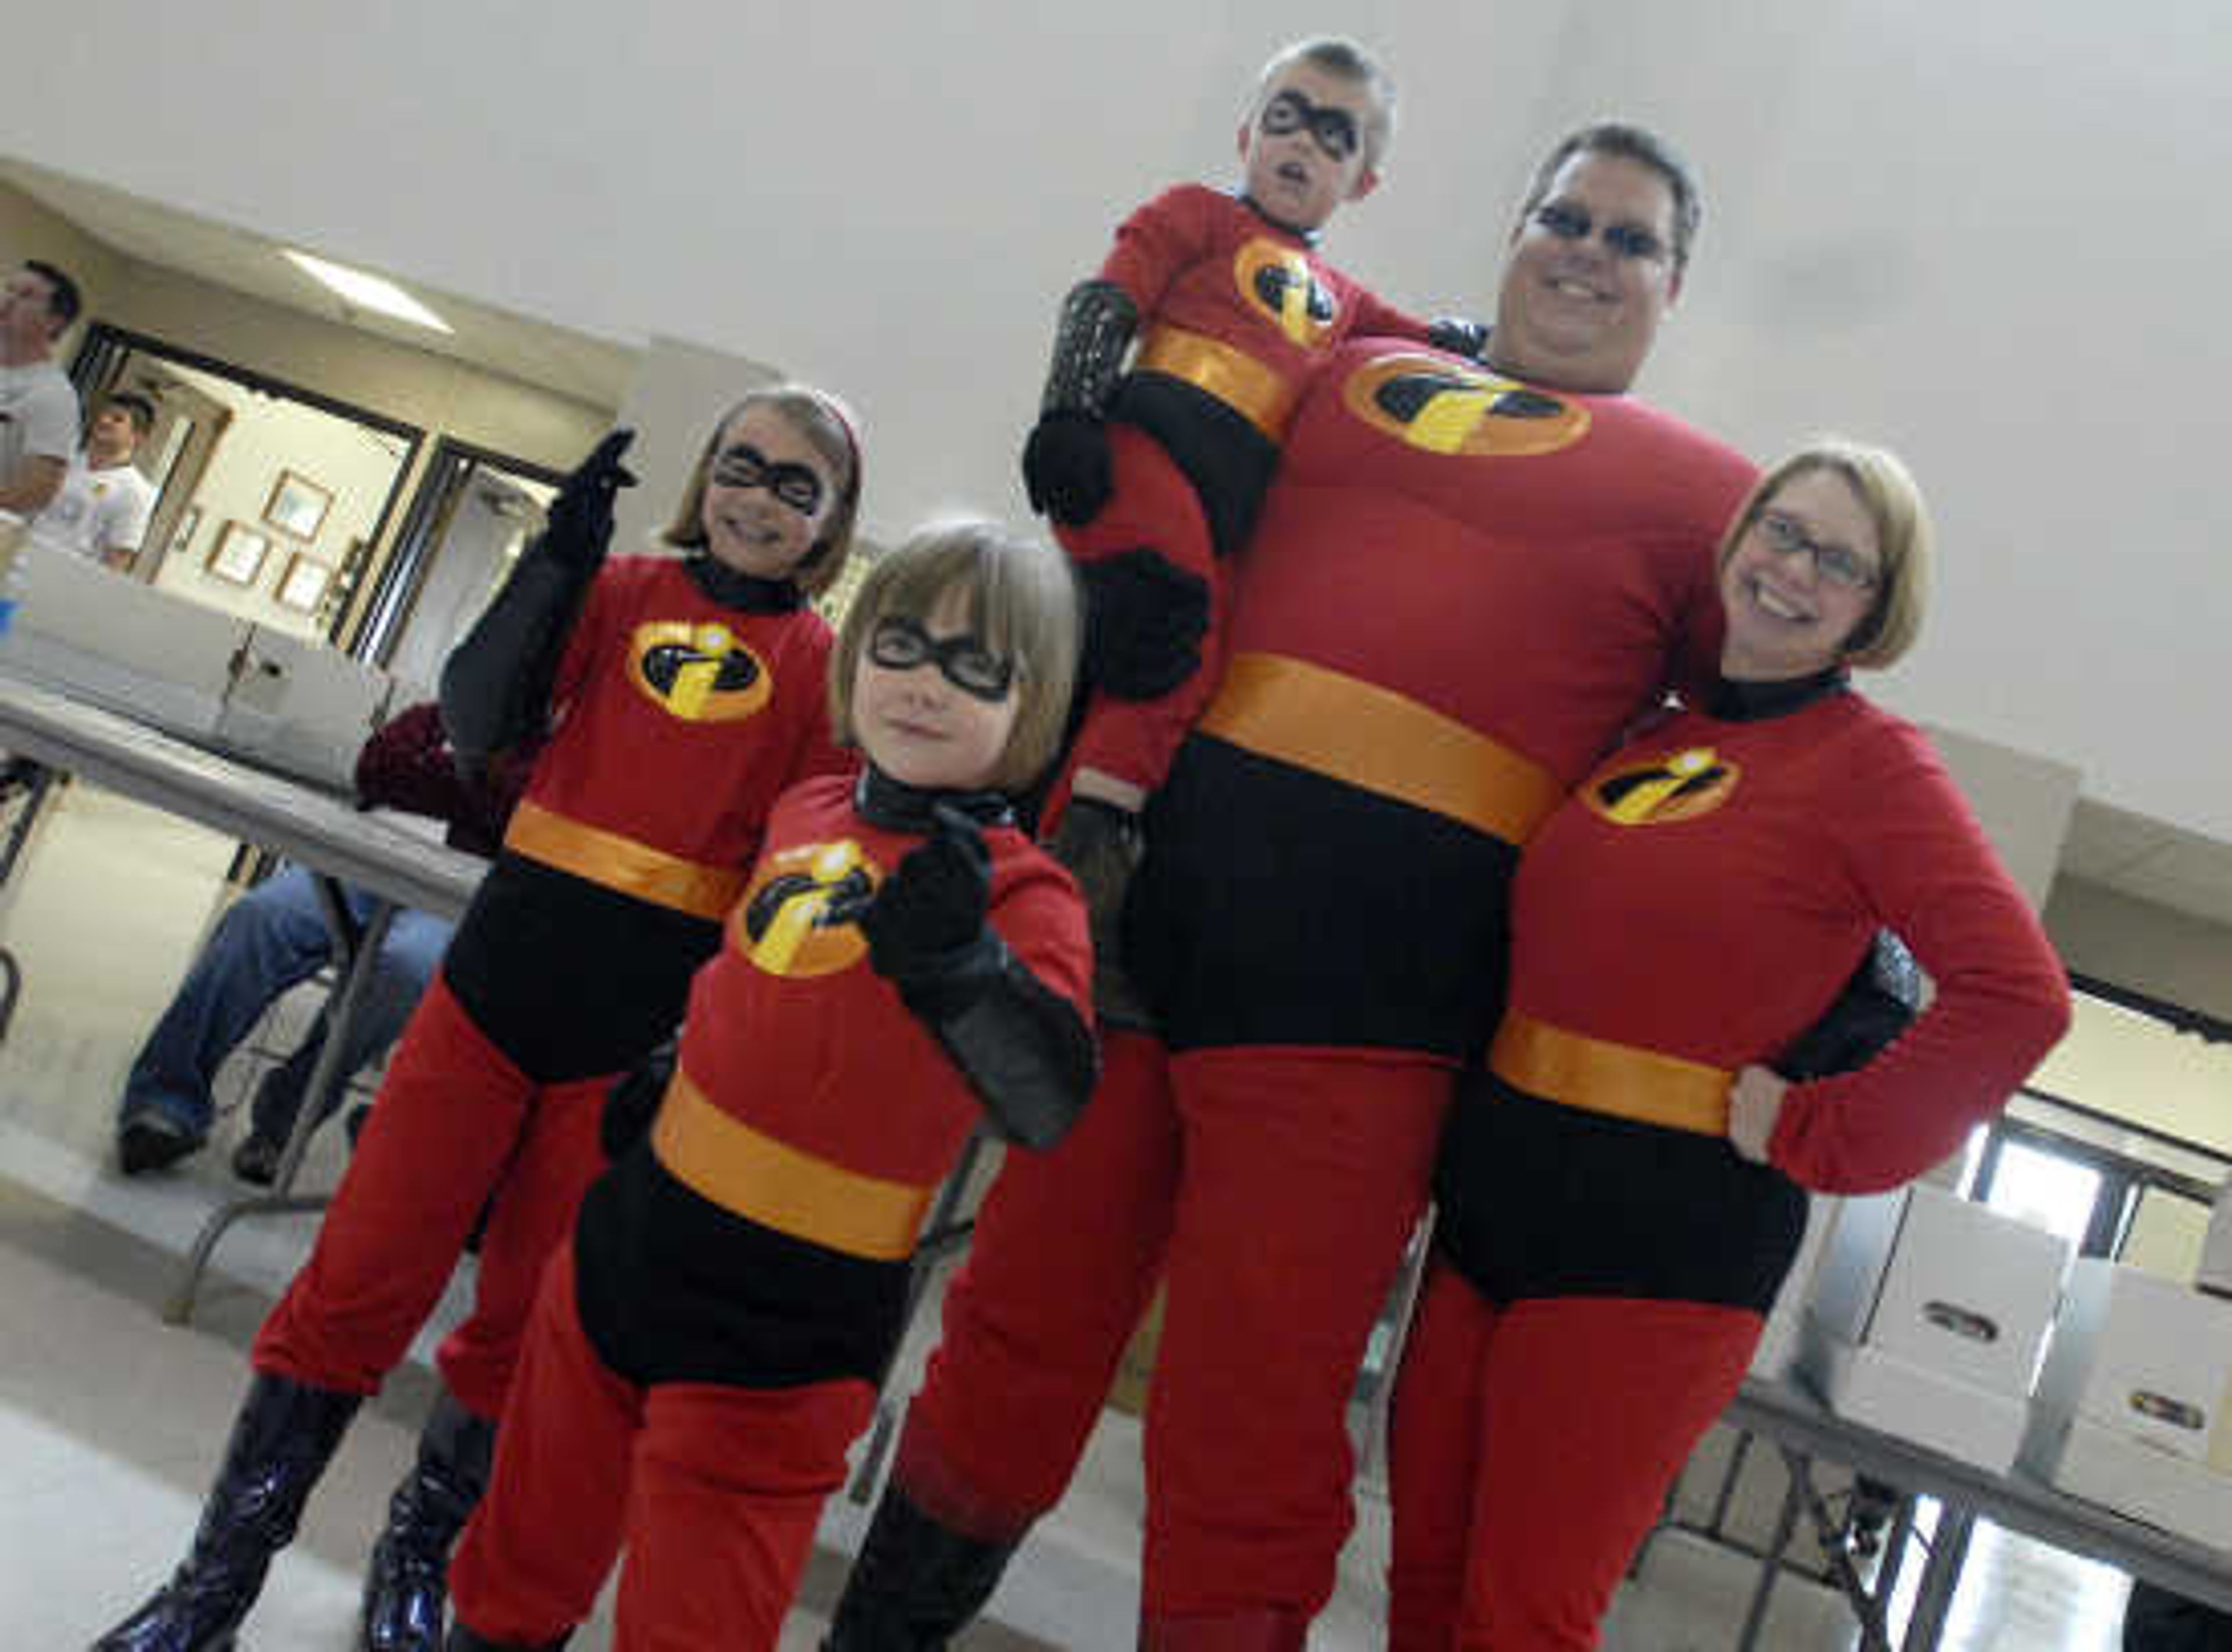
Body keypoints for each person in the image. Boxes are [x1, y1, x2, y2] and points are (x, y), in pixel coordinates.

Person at [828, 122, 1762, 1647]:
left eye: (1631, 237)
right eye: (1565, 217)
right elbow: (1162, 433)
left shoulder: (1707, 501)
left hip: (1368, 1026)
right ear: (1515, 232)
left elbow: (1775, 741)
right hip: (1145, 941)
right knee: (1010, 1332)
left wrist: (1856, 952)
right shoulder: (1345, 372)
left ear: (1677, 286)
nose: (1588, 252)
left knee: (1247, 1424)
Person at [92, 382, 862, 1652]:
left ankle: (417, 1563)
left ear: (832, 522)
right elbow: (478, 719)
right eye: (742, 464)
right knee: (353, 1283)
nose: (760, 497)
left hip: (625, 1041)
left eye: (799, 484)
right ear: (702, 475)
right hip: (491, 998)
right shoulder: (616, 592)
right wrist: (547, 569)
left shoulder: (824, 675)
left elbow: (795, 882)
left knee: (526, 1332)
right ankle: (211, 1584)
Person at [1384, 439, 2072, 1650]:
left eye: (1842, 563)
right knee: (1425, 1576)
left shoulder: (1874, 767)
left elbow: (2019, 993)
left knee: (1521, 1616)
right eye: (1785, 532)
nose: (1797, 571)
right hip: (1492, 1206)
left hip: (1662, 1247)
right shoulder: (1650, 734)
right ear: (1740, 536)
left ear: (1876, 608)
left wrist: (1823, 1130)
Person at [442, 520, 1095, 1652]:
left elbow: (1045, 1102)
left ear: (1031, 700)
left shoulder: (1023, 894)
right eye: (902, 642)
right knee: (512, 1569)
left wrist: (964, 967)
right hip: (630, 1247)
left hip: (787, 1322)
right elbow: (754, 973)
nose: (926, 684)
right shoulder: (811, 810)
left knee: (698, 1619)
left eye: (975, 662)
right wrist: (674, 1070)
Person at [1025, 37, 1482, 1018]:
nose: (1301, 143)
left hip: (1228, 508)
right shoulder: (1193, 212)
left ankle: (1082, 881)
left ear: (1362, 180)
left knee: (1190, 675)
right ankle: (1052, 895)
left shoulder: (1343, 300)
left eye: (1334, 133)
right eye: (1286, 115)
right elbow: (1110, 294)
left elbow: (1421, 347)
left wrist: (1478, 344)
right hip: (1142, 458)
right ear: (1247, 131)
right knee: (1172, 627)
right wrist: (1068, 410)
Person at [112, 701, 528, 1183]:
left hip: (453, 890)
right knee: (258, 919)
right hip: (358, 857)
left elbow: (515, 807)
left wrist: (437, 779)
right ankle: (163, 1101)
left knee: (408, 968)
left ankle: (283, 1121)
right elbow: (376, 767)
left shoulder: (558, 750)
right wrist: (468, 785)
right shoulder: (450, 706)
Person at [31, 389, 158, 568]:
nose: (104, 421)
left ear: (137, 437)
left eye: (117, 419)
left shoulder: (137, 491)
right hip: (20, 563)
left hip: (65, 583)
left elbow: (119, 558)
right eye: (104, 414)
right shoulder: (62, 460)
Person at [0, 259, 82, 519]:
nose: (7, 299)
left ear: (54, 322)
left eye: (25, 296)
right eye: (9, 288)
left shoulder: (54, 397)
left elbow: (36, 493)